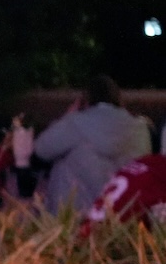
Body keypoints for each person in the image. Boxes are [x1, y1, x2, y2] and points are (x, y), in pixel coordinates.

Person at [34, 75, 151, 213]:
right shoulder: (139, 129)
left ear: (85, 100)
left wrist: (67, 116)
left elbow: (41, 149)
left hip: (74, 218)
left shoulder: (75, 123)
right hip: (122, 217)